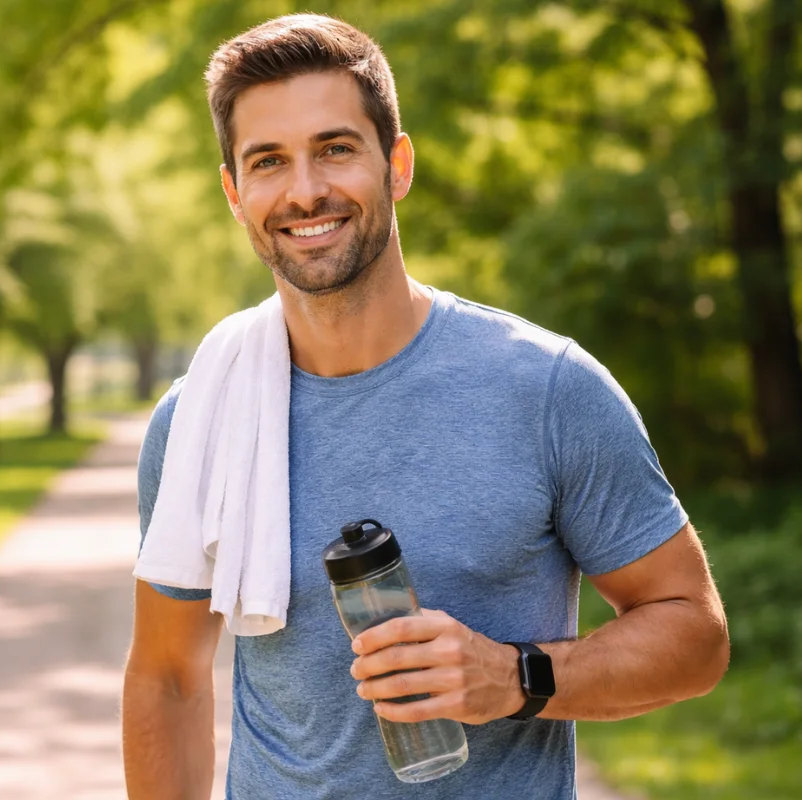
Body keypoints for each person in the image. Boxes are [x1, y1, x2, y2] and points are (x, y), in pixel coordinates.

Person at [122, 13, 728, 799]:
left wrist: (516, 677)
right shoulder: (201, 415)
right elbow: (167, 678)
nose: (305, 191)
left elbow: (695, 633)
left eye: (336, 149)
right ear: (235, 194)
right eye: (269, 162)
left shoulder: (544, 389)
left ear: (396, 164)